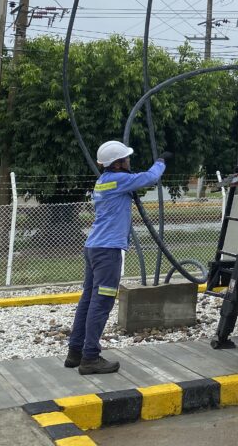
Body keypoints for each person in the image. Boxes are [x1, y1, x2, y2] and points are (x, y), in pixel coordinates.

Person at [65, 140, 170, 374]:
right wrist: (161, 162)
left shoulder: (104, 181)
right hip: (108, 251)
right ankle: (90, 358)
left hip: (93, 248)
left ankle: (75, 352)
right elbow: (150, 177)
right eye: (126, 158)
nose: (129, 161)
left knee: (87, 301)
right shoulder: (120, 180)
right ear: (118, 163)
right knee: (101, 303)